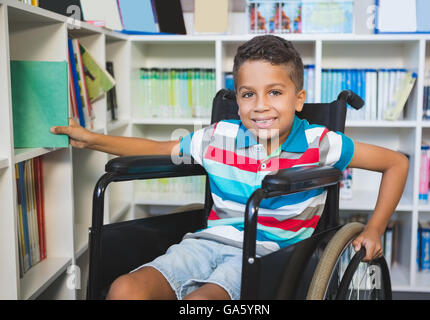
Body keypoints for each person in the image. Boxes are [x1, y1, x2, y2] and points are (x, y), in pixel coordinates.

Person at [51, 35, 409, 300]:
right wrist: (91, 139)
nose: (260, 105)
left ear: (298, 99)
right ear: (236, 101)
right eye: (248, 93)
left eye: (275, 92)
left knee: (200, 304)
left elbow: (396, 163)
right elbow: (156, 148)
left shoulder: (321, 143)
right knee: (124, 289)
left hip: (271, 251)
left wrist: (375, 230)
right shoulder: (219, 136)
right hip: (208, 243)